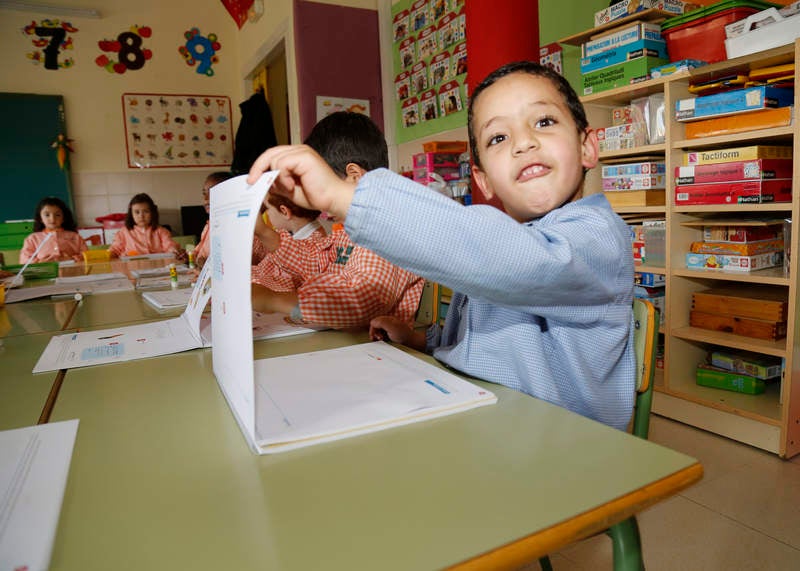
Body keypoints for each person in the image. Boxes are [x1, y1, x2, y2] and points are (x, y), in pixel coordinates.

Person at [247, 62, 636, 431]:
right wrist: (422, 339)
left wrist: (344, 197)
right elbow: (483, 333)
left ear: (587, 147)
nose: (525, 143)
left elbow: (519, 264)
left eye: (544, 121)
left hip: (566, 448)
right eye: (499, 137)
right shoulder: (496, 240)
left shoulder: (596, 236)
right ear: (482, 179)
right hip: (483, 420)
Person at [251, 111, 424, 330]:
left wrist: (275, 300)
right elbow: (315, 263)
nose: (319, 204)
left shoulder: (386, 226)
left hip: (376, 350)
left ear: (354, 175)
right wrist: (266, 234)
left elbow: (361, 300)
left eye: (322, 186)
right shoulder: (346, 229)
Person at [251, 191, 328, 292]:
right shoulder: (286, 231)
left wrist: (263, 232)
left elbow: (296, 259)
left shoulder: (317, 245)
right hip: (258, 275)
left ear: (284, 211)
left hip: (270, 291)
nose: (267, 213)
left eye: (268, 209)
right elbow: (264, 252)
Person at [109, 193, 182, 258]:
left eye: (146, 211)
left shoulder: (161, 231)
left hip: (157, 268)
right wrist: (110, 254)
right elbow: (114, 250)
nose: (141, 216)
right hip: (132, 268)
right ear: (131, 214)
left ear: (152, 213)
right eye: (137, 212)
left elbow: (169, 245)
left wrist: (173, 250)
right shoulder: (123, 232)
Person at [20, 197, 87, 263]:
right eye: (47, 215)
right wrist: (39, 262)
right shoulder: (32, 239)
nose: (52, 219)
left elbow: (86, 256)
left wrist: (71, 259)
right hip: (44, 273)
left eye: (57, 215)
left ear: (64, 218)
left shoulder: (75, 237)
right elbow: (24, 260)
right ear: (40, 218)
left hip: (72, 272)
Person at [195, 171, 235, 268]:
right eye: (204, 193)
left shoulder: (234, 227)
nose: (206, 198)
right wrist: (189, 256)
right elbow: (199, 253)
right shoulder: (209, 225)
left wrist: (205, 263)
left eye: (213, 192)